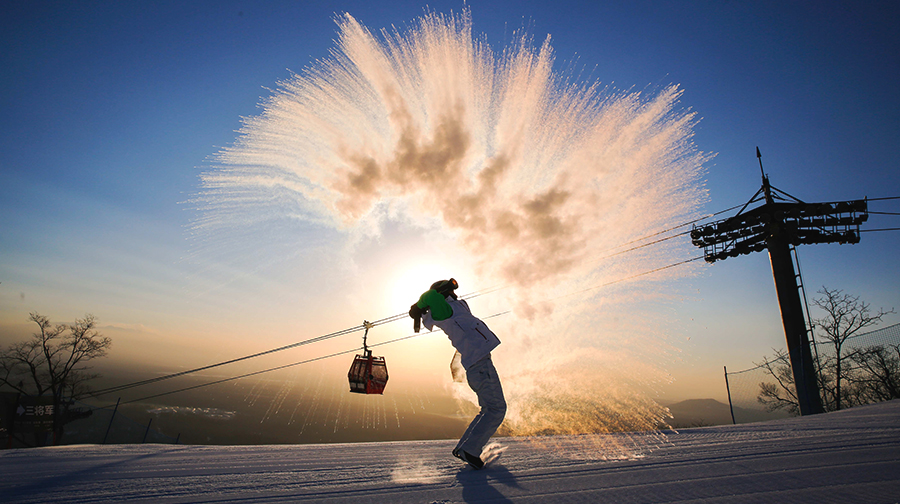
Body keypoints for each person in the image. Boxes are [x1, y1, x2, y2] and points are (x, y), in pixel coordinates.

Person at [409, 278, 506, 469]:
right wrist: (418, 306)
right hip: (480, 365)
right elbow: (430, 296)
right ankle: (469, 450)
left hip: (479, 364)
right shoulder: (444, 310)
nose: (456, 294)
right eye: (452, 291)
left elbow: (444, 300)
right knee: (496, 409)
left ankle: (466, 448)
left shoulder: (455, 308)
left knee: (489, 409)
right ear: (444, 292)